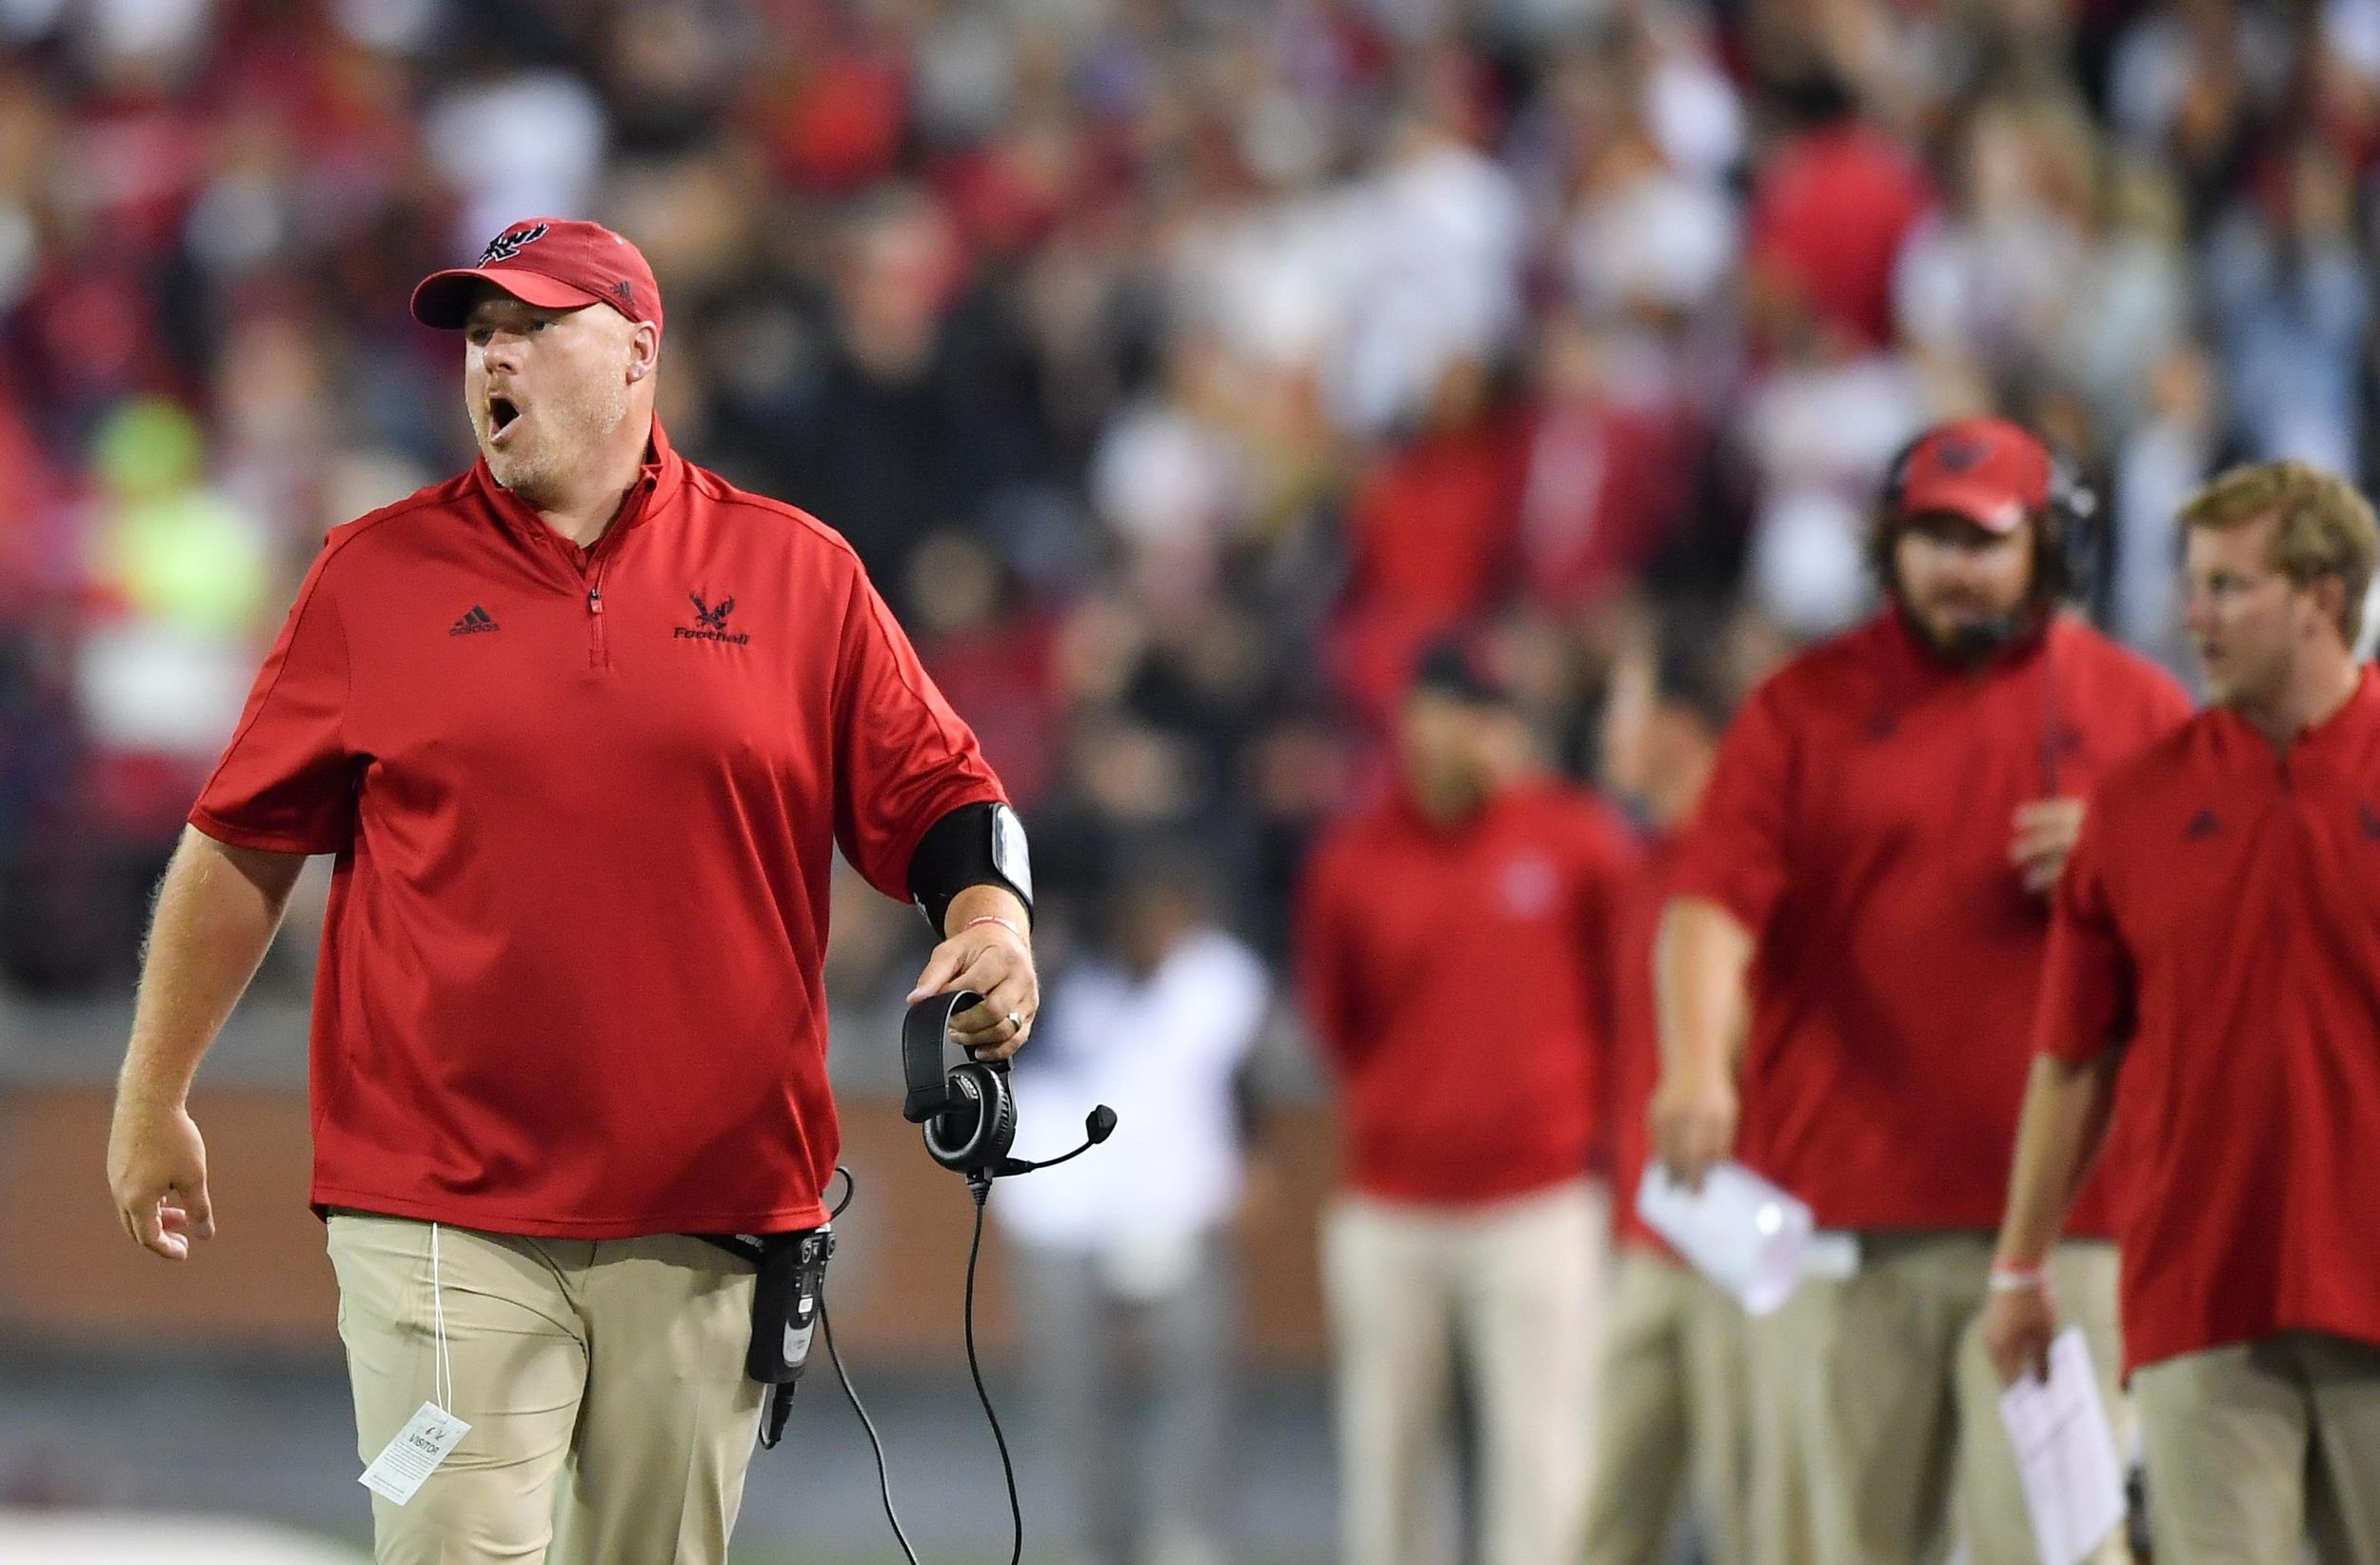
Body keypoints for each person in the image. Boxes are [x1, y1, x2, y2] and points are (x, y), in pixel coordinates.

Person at [101, 217, 1039, 1565]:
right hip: (440, 1198)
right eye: (479, 335)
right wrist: (151, 1092)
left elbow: (949, 794)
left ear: (637, 352)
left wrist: (991, 920)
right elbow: (242, 844)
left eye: (533, 327)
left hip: (710, 1200)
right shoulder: (375, 577)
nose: (496, 356)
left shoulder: (794, 572)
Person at [1652, 417, 2192, 1565]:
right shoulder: (1801, 709)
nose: (1954, 565)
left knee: (2057, 1554)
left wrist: (2135, 855)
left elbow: (2241, 922)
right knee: (1839, 1549)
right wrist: (1698, 1063)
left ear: (2050, 548)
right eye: (1930, 536)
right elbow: (1710, 907)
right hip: (1853, 1221)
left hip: (2069, 1231)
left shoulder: (2139, 713)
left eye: (1984, 538)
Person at [1986, 461, 2380, 1565]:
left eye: (2227, 587)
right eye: (2191, 582)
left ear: (2322, 599)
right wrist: (2021, 1266)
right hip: (2200, 1297)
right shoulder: (2136, 804)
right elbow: (2070, 1057)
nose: (2190, 614)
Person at [1299, 638, 1637, 1565]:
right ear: (1416, 719)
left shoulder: (1576, 840)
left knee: (1545, 1464)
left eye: (1498, 715)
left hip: (1540, 1199)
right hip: (1392, 1204)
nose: (1489, 735)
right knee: (1389, 1466)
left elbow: (1625, 1008)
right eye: (1468, 712)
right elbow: (1337, 1021)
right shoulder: (1353, 859)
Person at [991, 842, 1271, 1565]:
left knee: (1194, 1384)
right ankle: (1097, 1542)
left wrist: (1252, 1159)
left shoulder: (1216, 983)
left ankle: (1187, 1537)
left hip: (1176, 1209)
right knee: (1071, 1393)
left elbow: (1239, 1079)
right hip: (1059, 1212)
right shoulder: (1061, 975)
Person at [1581, 625, 1762, 1565]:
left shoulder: (1762, 863)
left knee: (1752, 1521)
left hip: (1749, 1244)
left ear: (1679, 726)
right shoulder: (1639, 866)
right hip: (1650, 1238)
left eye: (1624, 705)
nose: (1605, 731)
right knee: (1605, 1523)